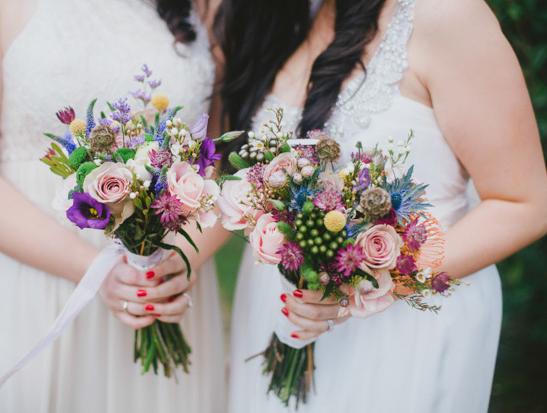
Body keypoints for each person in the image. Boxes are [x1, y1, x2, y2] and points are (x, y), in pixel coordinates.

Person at [215, 0, 547, 411]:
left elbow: (523, 203)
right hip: (279, 310)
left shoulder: (449, 15)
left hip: (401, 328)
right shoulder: (281, 17)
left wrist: (364, 286)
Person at [0, 0, 225, 411]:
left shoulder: (206, 8)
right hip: (34, 290)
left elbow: (224, 164)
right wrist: (97, 272)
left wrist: (185, 255)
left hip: (166, 291)